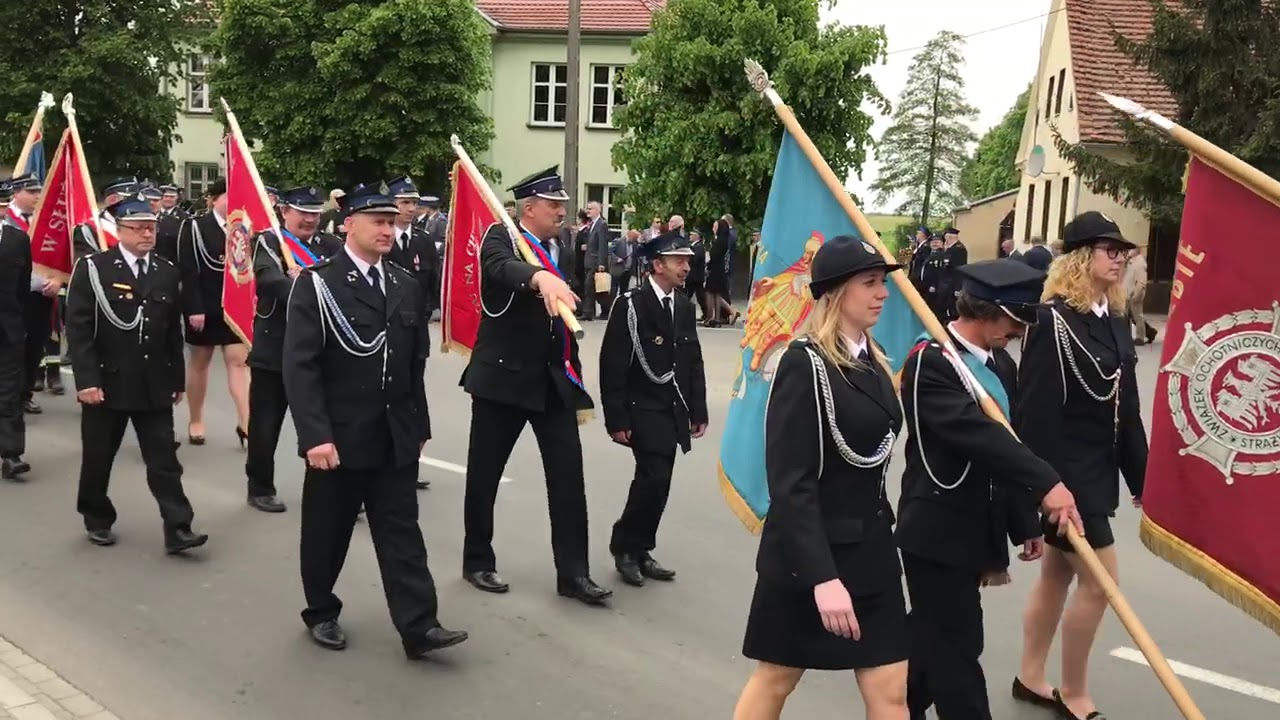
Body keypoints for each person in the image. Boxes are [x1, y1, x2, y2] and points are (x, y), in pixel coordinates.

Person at [284, 183, 467, 657]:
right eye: (378, 222)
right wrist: (315, 436)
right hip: (340, 437)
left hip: (393, 434)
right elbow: (301, 367)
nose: (389, 229)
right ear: (348, 224)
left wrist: (419, 426)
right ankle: (321, 610)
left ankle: (419, 626)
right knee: (328, 532)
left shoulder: (404, 283)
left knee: (402, 531)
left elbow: (413, 365)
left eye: (392, 222)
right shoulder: (317, 283)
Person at [896, 259, 1083, 720]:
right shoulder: (931, 362)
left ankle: (895, 709)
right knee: (959, 646)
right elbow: (980, 437)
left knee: (929, 641)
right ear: (984, 312)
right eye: (1013, 321)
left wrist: (1024, 521)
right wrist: (1047, 483)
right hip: (936, 532)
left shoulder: (998, 363)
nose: (1018, 332)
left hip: (975, 527)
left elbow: (1011, 439)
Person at [733, 236, 910, 720]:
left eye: (883, 283)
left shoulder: (873, 360)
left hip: (870, 550)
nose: (883, 293)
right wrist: (822, 578)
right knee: (776, 679)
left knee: (892, 689)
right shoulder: (804, 364)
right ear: (834, 292)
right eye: (869, 283)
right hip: (810, 555)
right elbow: (791, 483)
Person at [1012, 211, 1148, 720]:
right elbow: (1034, 413)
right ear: (1079, 256)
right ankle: (1074, 691)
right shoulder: (1051, 321)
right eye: (1109, 249)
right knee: (1100, 583)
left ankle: (1030, 677)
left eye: (1123, 251)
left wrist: (1142, 479)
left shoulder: (1112, 321)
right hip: (1065, 477)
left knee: (1055, 576)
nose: (1120, 258)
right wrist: (1044, 489)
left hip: (1100, 471)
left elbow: (1126, 410)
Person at [459, 166, 611, 606]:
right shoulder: (500, 238)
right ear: (529, 209)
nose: (562, 211)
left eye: (563, 204)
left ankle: (574, 573)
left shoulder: (560, 246)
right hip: (502, 379)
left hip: (551, 380)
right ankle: (477, 561)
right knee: (484, 476)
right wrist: (538, 277)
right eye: (553, 205)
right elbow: (501, 269)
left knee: (568, 479)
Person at [64, 195, 207, 553]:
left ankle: (178, 527)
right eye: (139, 228)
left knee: (164, 462)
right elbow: (79, 329)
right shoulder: (94, 269)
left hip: (153, 382)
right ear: (120, 230)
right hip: (107, 381)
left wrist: (176, 380)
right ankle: (96, 516)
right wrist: (87, 381)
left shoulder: (165, 270)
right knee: (99, 457)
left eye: (151, 227)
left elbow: (172, 332)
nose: (147, 234)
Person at [599, 232, 708, 586]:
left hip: (672, 407)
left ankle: (642, 548)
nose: (686, 267)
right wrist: (616, 417)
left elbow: (693, 361)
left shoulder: (685, 306)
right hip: (641, 406)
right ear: (658, 265)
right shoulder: (631, 304)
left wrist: (699, 410)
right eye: (679, 261)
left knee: (660, 483)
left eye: (687, 261)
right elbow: (613, 363)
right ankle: (625, 546)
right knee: (653, 477)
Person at [244, 186, 343, 513]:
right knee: (265, 424)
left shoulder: (331, 245)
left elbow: (342, 283)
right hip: (275, 349)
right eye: (303, 212)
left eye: (315, 213)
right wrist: (310, 286)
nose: (310, 219)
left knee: (321, 423)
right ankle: (260, 486)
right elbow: (271, 281)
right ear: (285, 212)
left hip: (318, 350)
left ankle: (329, 487)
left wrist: (303, 278)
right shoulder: (269, 242)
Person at [176, 179, 251, 445]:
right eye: (228, 197)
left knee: (238, 362)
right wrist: (193, 308)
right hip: (204, 306)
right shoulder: (194, 227)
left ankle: (246, 422)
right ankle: (195, 419)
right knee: (200, 362)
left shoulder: (246, 228)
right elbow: (188, 269)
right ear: (215, 199)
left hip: (236, 306)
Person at [0, 178, 32, 481]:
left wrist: (20, 323)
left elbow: (24, 287)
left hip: (8, 327)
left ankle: (11, 454)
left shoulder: (16, 239)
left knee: (8, 390)